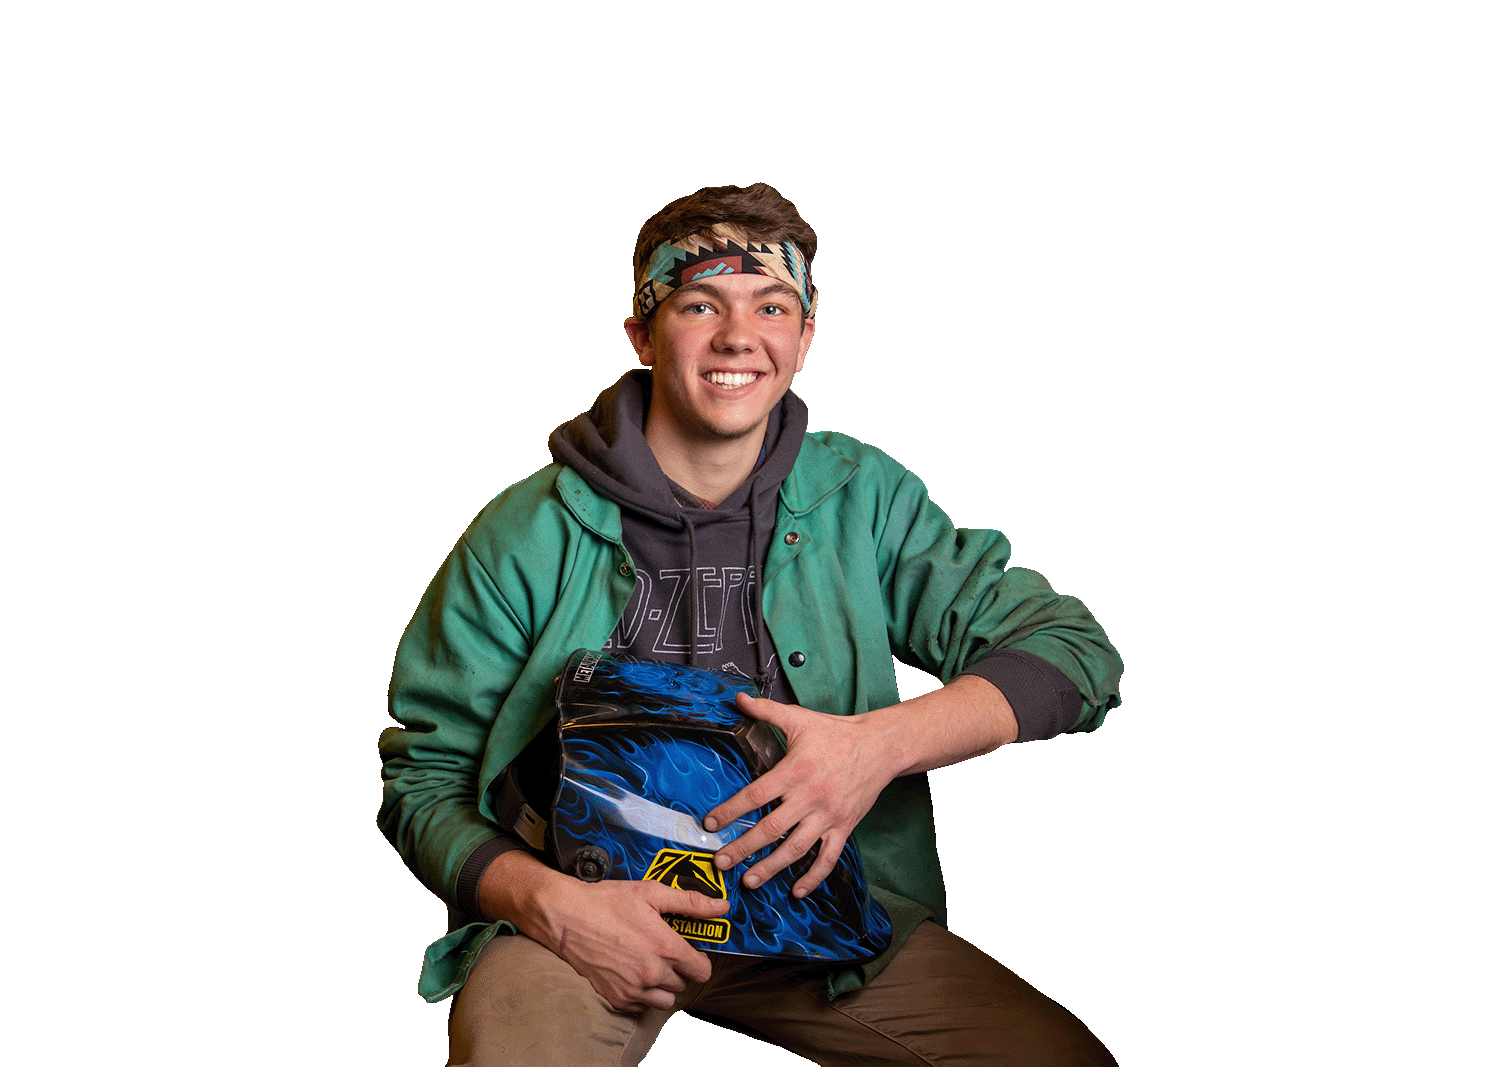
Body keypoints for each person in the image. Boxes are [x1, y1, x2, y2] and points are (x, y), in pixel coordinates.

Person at [380, 183, 1124, 1066]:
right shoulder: (526, 531)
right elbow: (422, 778)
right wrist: (547, 904)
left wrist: (877, 745)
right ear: (643, 333)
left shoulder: (865, 500)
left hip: (825, 914)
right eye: (701, 304)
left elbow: (1075, 655)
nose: (740, 337)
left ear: (805, 337)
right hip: (580, 917)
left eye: (772, 306)